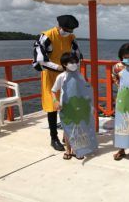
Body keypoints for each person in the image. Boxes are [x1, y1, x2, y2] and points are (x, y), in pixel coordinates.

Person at [32, 15, 82, 151]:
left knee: (68, 104)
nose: (68, 32)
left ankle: (67, 135)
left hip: (67, 75)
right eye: (66, 29)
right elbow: (40, 59)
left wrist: (75, 69)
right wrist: (58, 67)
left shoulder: (71, 37)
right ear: (59, 26)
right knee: (53, 106)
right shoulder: (47, 36)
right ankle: (54, 138)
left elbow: (77, 55)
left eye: (71, 30)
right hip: (50, 75)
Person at [51, 53, 97, 160]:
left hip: (79, 106)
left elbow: (84, 89)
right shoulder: (61, 77)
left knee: (79, 128)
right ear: (64, 64)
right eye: (71, 62)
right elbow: (53, 90)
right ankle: (68, 150)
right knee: (68, 130)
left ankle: (78, 150)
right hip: (66, 107)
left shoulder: (79, 75)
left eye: (76, 62)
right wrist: (55, 101)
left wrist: (89, 104)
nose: (74, 64)